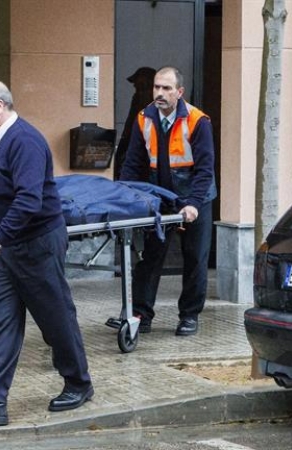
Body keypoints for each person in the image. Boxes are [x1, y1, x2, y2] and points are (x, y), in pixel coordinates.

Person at [0, 78, 93, 426]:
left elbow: (29, 200)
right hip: (10, 247)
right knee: (0, 322)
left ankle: (78, 383)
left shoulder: (24, 140)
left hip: (36, 244)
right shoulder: (0, 141)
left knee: (55, 317)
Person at [119, 66, 216, 336]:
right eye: (157, 87)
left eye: (166, 88)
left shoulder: (198, 121)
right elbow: (133, 163)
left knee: (195, 258)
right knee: (151, 257)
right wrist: (126, 197)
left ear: (179, 92)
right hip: (160, 198)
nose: (159, 93)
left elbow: (205, 169)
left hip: (194, 196)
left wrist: (194, 204)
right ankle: (141, 314)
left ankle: (189, 315)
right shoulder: (144, 118)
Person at [114, 66, 156, 180]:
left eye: (139, 86)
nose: (137, 89)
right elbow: (129, 128)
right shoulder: (138, 100)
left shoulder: (153, 106)